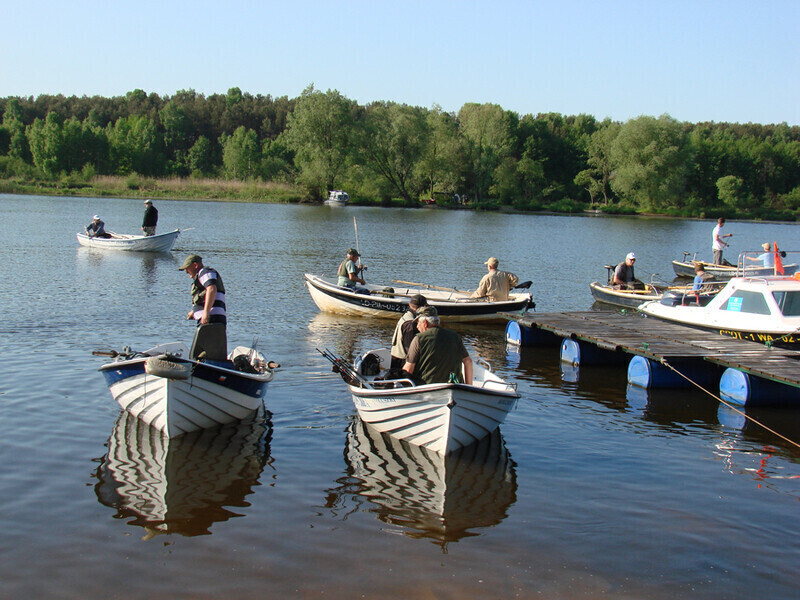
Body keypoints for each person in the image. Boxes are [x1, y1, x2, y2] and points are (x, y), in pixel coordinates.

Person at [403, 306, 473, 385]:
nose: (417, 326)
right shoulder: (455, 336)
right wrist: (469, 386)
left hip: (428, 387)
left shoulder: (418, 339)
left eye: (418, 322)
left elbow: (408, 369)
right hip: (455, 386)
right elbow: (468, 362)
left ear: (425, 323)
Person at [179, 254, 227, 361]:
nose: (186, 272)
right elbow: (205, 295)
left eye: (187, 268)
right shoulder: (201, 276)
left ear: (195, 265)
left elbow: (211, 289)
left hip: (211, 320)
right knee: (203, 354)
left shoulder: (205, 272)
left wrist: (206, 313)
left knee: (200, 355)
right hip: (209, 320)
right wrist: (194, 312)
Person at [390, 294, 427, 369]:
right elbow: (410, 349)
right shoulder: (411, 324)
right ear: (424, 307)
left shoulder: (406, 316)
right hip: (403, 362)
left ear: (409, 304)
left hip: (395, 357)